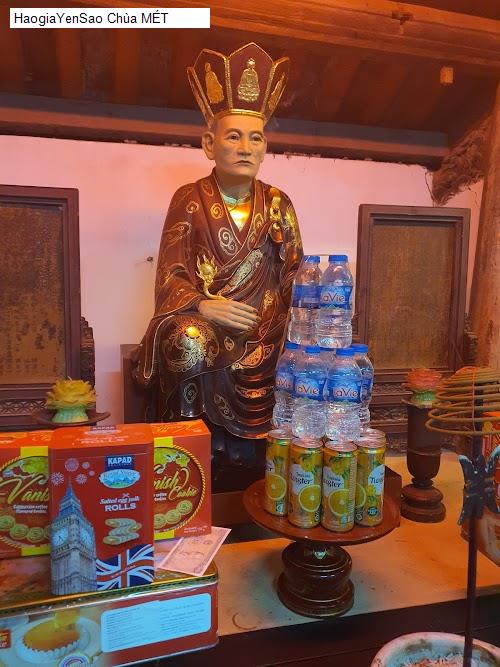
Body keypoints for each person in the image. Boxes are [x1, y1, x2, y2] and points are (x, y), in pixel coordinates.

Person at [133, 43, 303, 486]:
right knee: (188, 339)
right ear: (209, 144)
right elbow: (170, 273)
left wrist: (310, 313)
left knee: (318, 351)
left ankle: (264, 459)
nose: (246, 147)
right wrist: (203, 306)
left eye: (256, 138)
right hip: (209, 324)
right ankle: (192, 455)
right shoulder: (189, 199)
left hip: (266, 328)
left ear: (265, 147)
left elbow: (294, 272)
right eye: (233, 136)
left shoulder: (279, 203)